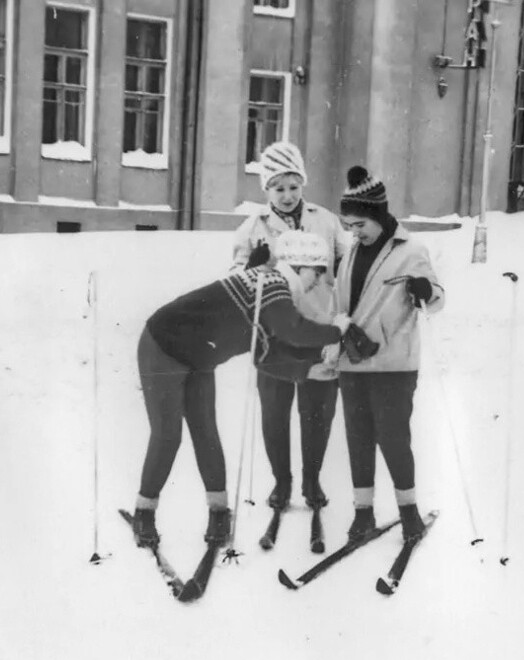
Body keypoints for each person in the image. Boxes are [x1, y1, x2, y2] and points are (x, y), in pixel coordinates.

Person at [130, 235, 359, 550]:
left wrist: (307, 370)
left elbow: (264, 355)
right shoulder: (271, 281)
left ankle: (218, 511)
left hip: (199, 356)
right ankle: (144, 512)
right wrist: (337, 330)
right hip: (162, 346)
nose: (318, 280)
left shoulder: (275, 293)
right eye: (316, 271)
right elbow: (292, 330)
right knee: (168, 434)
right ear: (298, 264)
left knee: (206, 431)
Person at [231, 141, 352, 512]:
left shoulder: (327, 221)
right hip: (275, 335)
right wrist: (252, 266)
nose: (286, 196)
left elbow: (346, 268)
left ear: (303, 185)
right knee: (275, 412)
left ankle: (312, 480)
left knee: (317, 412)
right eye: (278, 188)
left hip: (317, 328)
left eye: (293, 187)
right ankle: (281, 482)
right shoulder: (253, 227)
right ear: (266, 189)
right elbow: (237, 278)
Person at [335, 165, 445, 544]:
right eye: (348, 225)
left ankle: (408, 513)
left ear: (378, 216)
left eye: (359, 223)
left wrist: (423, 289)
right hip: (353, 361)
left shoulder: (411, 250)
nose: (354, 231)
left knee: (394, 438)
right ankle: (362, 513)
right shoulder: (351, 253)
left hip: (394, 364)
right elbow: (341, 301)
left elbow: (437, 299)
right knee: (358, 439)